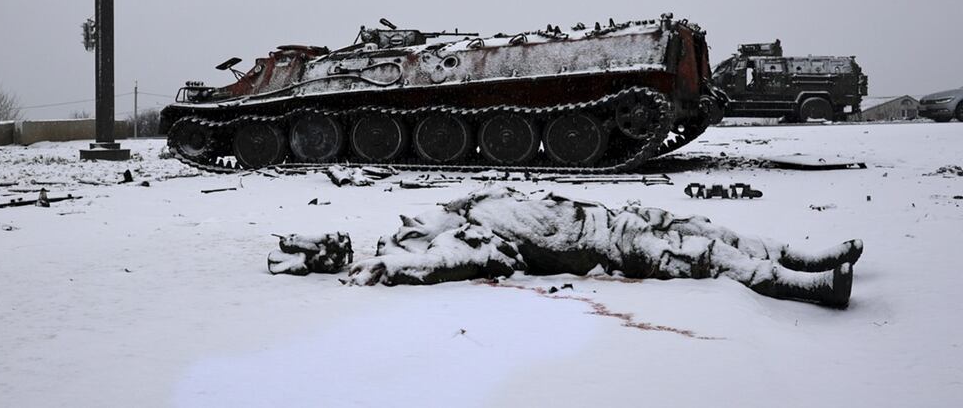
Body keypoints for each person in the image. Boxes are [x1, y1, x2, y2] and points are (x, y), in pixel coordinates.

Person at [345, 186, 862, 308]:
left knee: (707, 230)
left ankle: (798, 255)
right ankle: (807, 286)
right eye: (409, 230)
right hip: (605, 245)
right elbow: (457, 264)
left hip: (611, 217)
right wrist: (395, 266)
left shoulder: (480, 199)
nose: (413, 218)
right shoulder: (472, 237)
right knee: (698, 255)